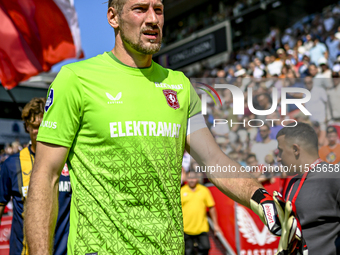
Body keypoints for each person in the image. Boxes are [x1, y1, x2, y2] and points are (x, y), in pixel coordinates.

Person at [24, 0, 299, 254]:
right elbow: (45, 175)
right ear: (113, 17)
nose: (153, 19)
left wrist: (259, 196)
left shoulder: (180, 85)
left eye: (158, 9)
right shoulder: (76, 80)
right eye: (140, 9)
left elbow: (214, 162)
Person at [0, 98, 71, 255]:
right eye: (35, 127)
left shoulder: (69, 161)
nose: (40, 132)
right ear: (26, 127)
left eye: (44, 126)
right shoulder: (11, 165)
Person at [277, 122, 340, 254]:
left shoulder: (334, 177)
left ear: (295, 149)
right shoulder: (293, 182)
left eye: (281, 151)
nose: (278, 158)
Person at [181, 171, 221, 255]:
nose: (192, 180)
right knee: (188, 252)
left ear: (197, 179)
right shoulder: (181, 191)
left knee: (206, 248)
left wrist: (216, 225)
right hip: (186, 228)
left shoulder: (204, 190)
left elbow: (211, 207)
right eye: (190, 178)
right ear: (187, 179)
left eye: (193, 178)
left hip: (201, 227)